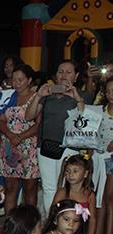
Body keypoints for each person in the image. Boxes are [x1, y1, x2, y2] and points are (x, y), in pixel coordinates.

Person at [26, 60, 94, 214]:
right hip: (46, 146)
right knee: (49, 187)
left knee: (67, 186)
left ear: (76, 76)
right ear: (55, 75)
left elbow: (86, 120)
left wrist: (77, 98)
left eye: (68, 72)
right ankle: (53, 221)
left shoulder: (84, 95)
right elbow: (29, 116)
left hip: (70, 147)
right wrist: (38, 96)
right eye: (60, 71)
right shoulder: (47, 94)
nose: (63, 75)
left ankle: (68, 220)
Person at [0, 64, 40, 213]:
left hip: (29, 145)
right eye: (14, 80)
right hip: (10, 145)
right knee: (11, 187)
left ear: (29, 80)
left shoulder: (37, 97)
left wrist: (20, 137)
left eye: (20, 80)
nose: (16, 83)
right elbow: (0, 119)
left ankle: (29, 227)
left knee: (30, 188)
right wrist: (10, 135)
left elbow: (39, 125)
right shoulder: (8, 96)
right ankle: (10, 225)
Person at [52, 154, 96, 234]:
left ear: (86, 174)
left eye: (75, 171)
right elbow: (53, 214)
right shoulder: (62, 192)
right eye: (68, 171)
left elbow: (92, 220)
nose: (70, 174)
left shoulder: (90, 195)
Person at [97, 78, 113, 234]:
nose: (111, 94)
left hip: (112, 160)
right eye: (108, 91)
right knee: (100, 197)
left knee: (109, 197)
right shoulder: (100, 111)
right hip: (99, 158)